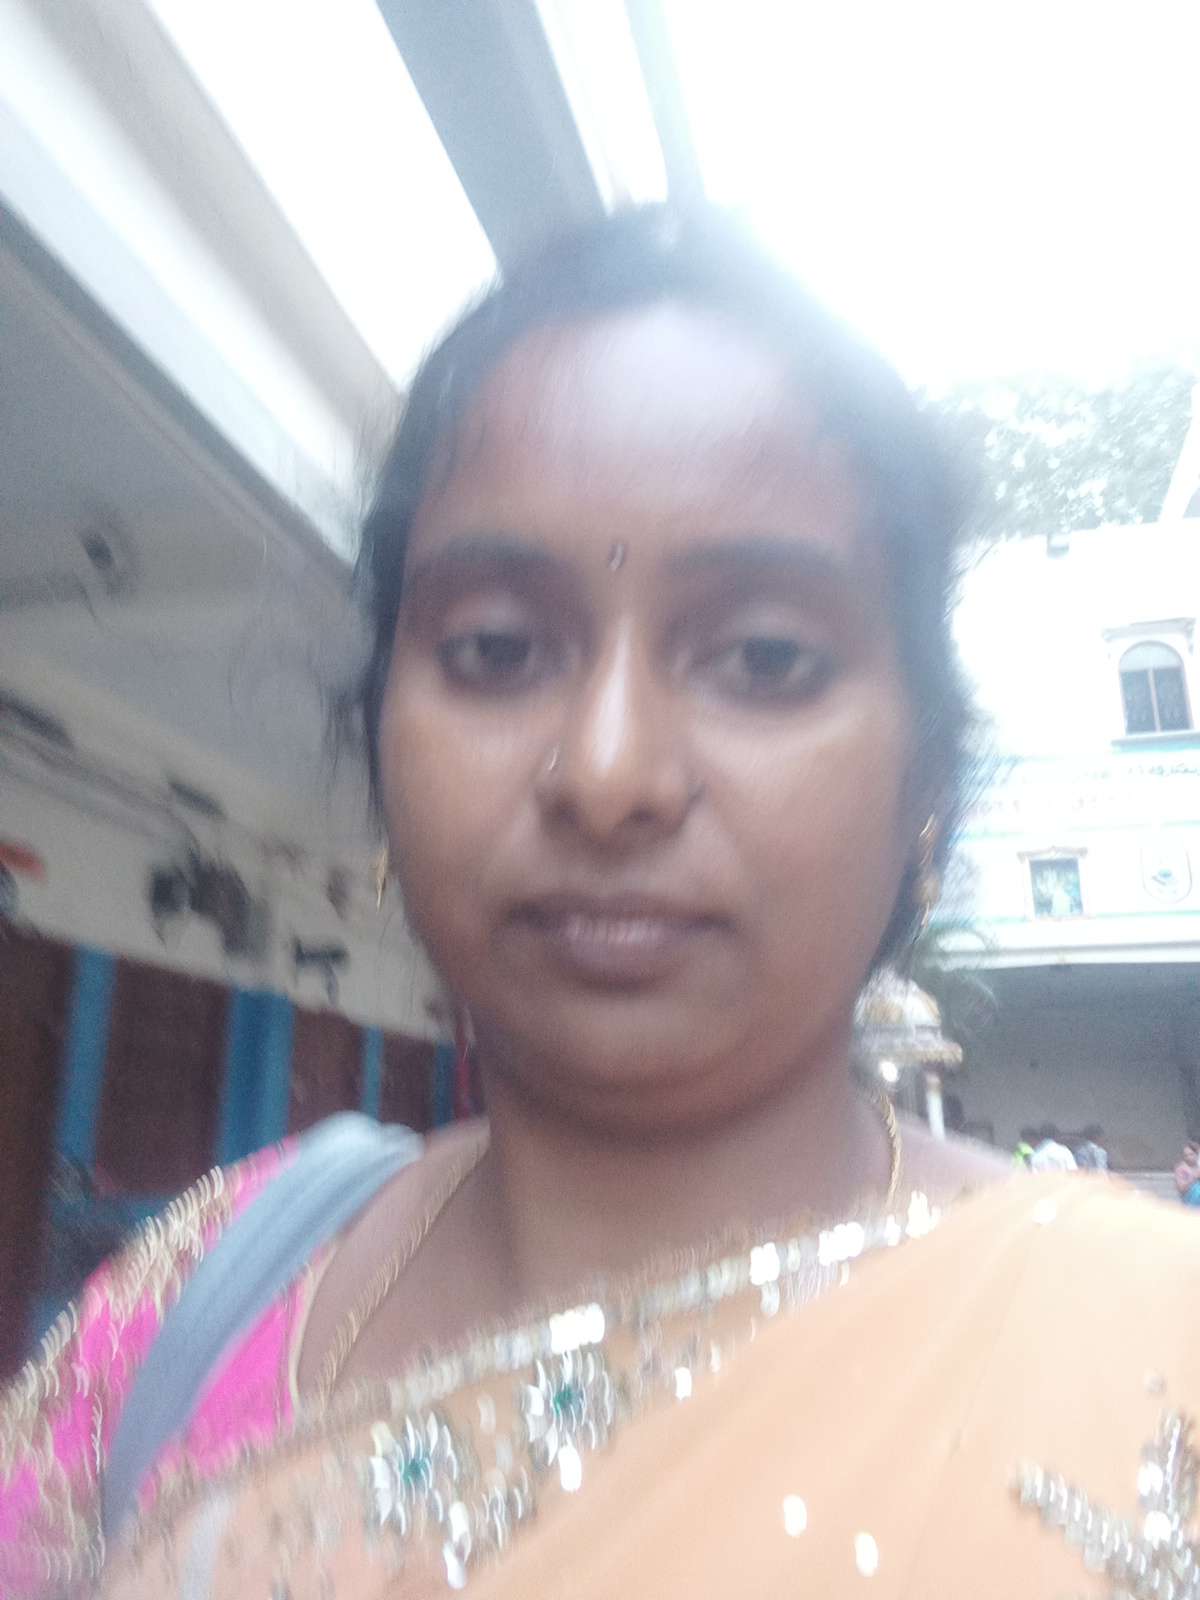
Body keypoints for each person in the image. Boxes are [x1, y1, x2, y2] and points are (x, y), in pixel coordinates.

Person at [3, 207, 1198, 1600]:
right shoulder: (203, 1300)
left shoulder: (1149, 1356)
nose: (609, 772)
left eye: (764, 658)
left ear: (926, 776)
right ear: (380, 734)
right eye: (496, 648)